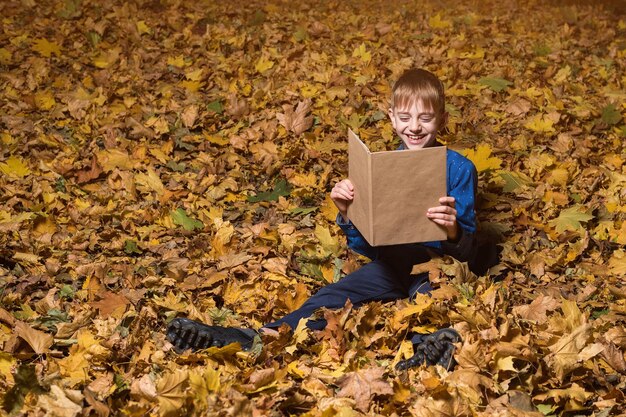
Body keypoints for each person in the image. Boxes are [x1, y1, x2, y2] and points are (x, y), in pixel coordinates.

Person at [166, 68, 489, 370]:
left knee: (429, 302)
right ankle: (249, 338)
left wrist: (452, 230)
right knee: (329, 298)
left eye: (426, 118)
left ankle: (431, 349)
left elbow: (467, 253)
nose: (414, 127)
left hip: (436, 267)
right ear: (391, 118)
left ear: (442, 119)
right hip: (392, 264)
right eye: (405, 117)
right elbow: (369, 247)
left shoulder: (458, 168)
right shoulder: (381, 166)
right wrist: (348, 213)